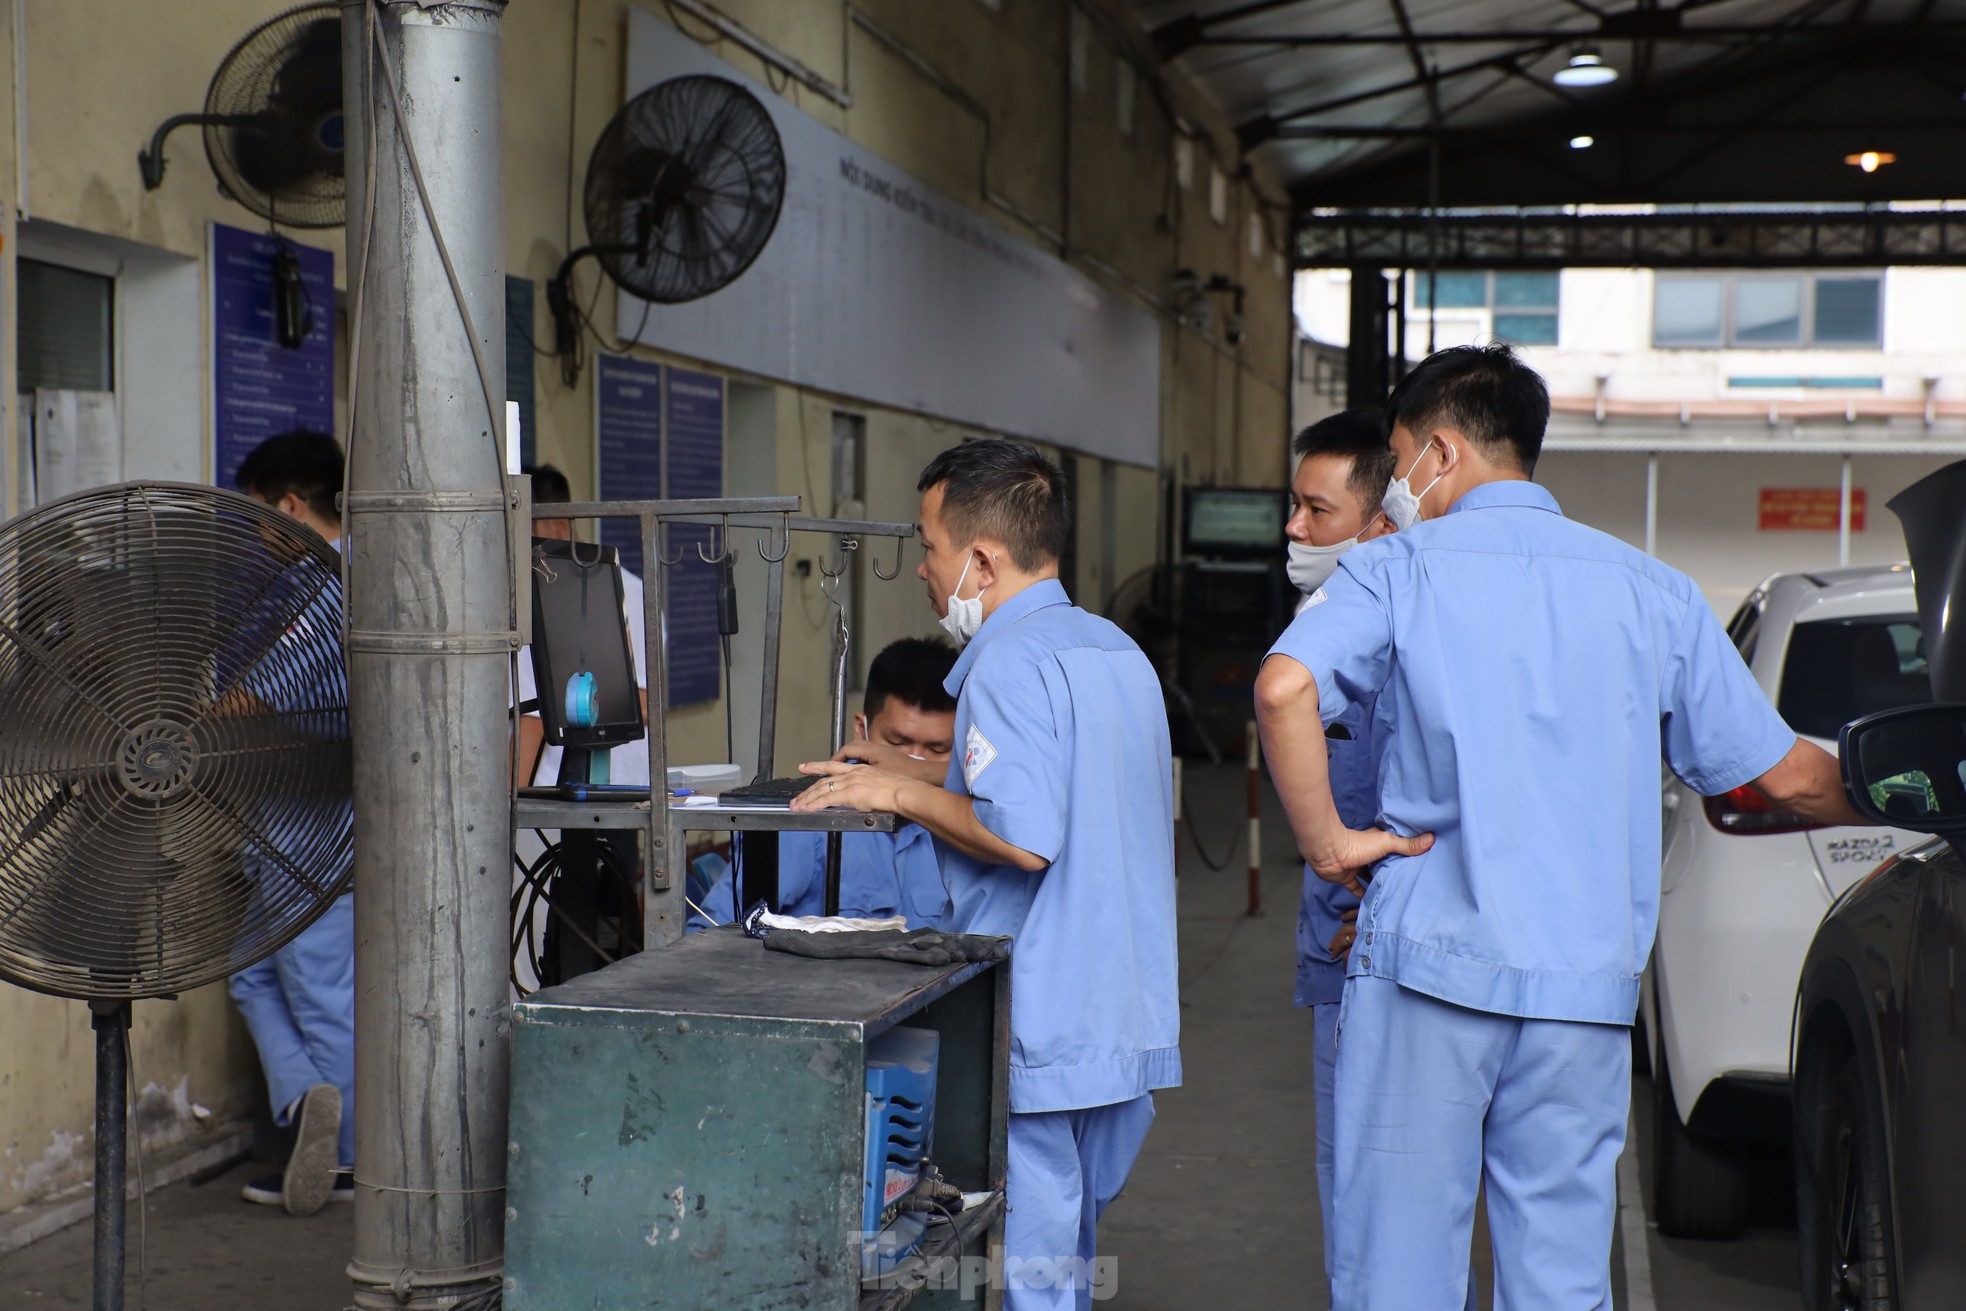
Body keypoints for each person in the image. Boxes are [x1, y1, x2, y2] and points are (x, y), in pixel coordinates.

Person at [1254, 344, 1868, 1310]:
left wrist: (1330, 843)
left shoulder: (1393, 571)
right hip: (1579, 992)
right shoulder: (1651, 590)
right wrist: (1917, 787)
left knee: (1398, 1274)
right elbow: (1790, 776)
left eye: (1404, 457)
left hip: (1427, 974)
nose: (1400, 488)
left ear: (1440, 452)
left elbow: (1285, 686)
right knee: (1559, 1278)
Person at [793, 439, 1179, 1311]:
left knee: (1033, 1272)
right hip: (1122, 1008)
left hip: (1046, 1017)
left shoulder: (1005, 663)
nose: (924, 572)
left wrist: (894, 784)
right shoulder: (1113, 651)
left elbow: (1025, 836)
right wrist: (916, 776)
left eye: (929, 548)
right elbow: (1068, 789)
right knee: (1069, 1256)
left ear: (980, 558)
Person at [1279, 408, 1406, 1305]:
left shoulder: (1402, 634)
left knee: (1378, 1207)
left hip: (1381, 957)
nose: (1294, 528)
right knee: (1356, 1198)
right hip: (1342, 954)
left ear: (1380, 523)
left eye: (1316, 510)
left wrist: (1393, 892)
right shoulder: (1323, 623)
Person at [226, 429, 355, 1215]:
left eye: (256, 519)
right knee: (249, 969)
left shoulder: (332, 587)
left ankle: (341, 1160)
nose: (254, 537)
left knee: (318, 988)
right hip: (293, 822)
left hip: (314, 826)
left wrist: (179, 729)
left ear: (293, 506)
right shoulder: (328, 583)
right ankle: (311, 1100)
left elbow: (258, 698)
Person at [689, 637, 958, 930]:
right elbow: (708, 930)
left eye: (937, 750)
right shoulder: (812, 815)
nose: (911, 763)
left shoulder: (961, 821)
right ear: (861, 730)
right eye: (896, 742)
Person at [512, 464, 650, 992]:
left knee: (547, 950)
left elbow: (528, 721)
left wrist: (504, 813)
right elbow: (647, 700)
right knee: (607, 944)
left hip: (556, 806)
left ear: (559, 523)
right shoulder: (632, 587)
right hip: (627, 799)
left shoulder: (547, 591)